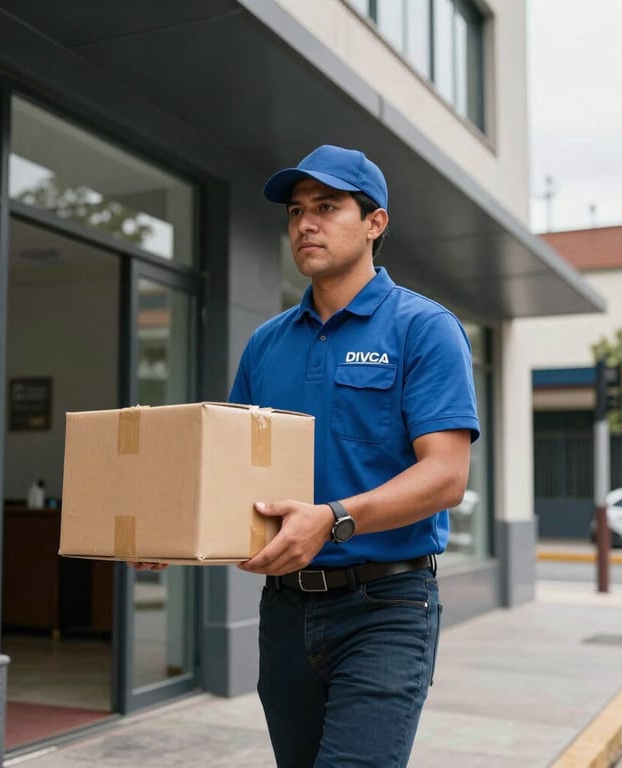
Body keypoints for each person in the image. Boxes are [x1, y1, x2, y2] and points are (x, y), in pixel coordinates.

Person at [230, 144, 480, 767]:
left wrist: (333, 518)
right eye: (294, 211)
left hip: (385, 609)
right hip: (285, 610)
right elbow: (231, 466)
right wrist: (175, 533)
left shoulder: (423, 328)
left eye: (326, 206)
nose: (305, 224)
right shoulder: (266, 344)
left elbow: (446, 477)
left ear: (375, 222)